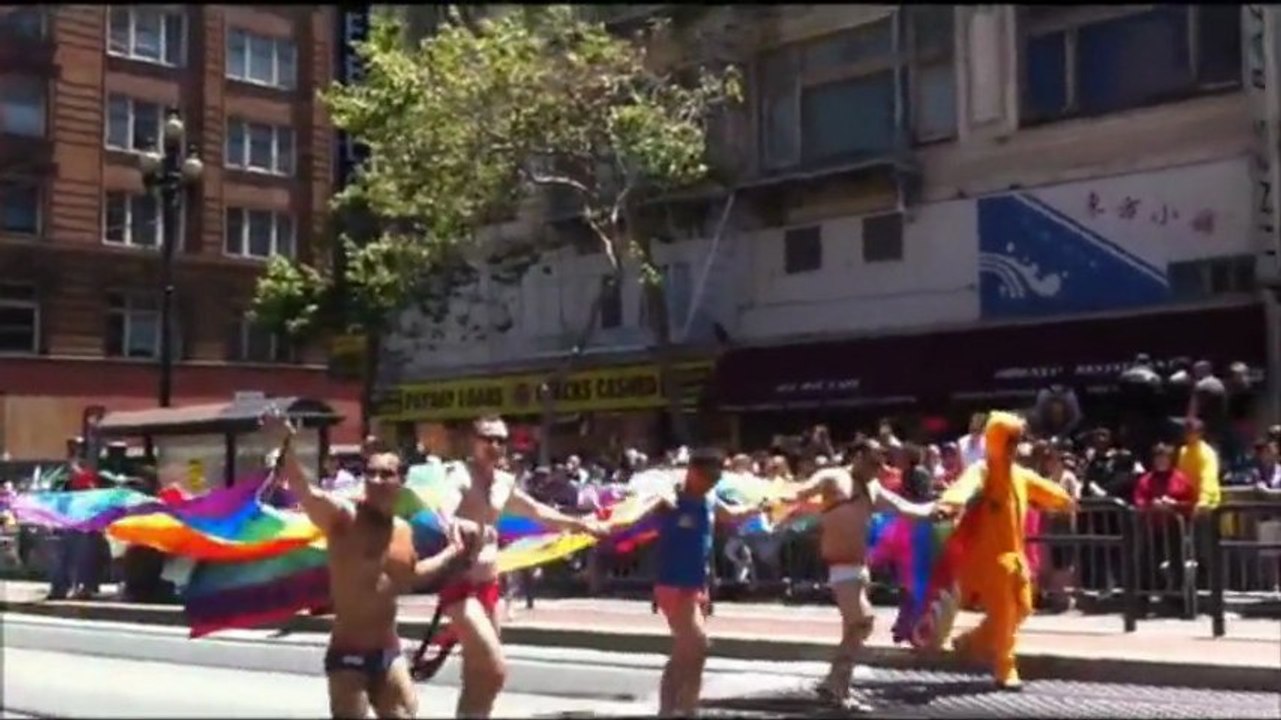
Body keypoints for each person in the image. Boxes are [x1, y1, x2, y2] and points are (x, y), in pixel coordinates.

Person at [261, 409, 485, 720]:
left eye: (386, 474)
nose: (377, 480)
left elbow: (410, 576)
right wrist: (285, 441)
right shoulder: (344, 517)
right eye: (371, 473)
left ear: (401, 481)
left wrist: (452, 553)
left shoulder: (402, 530)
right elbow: (305, 490)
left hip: (388, 653)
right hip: (348, 653)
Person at [428, 416, 607, 719]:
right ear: (472, 441)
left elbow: (537, 511)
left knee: (479, 675)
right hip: (460, 585)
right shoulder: (459, 475)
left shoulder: (503, 482)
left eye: (500, 440)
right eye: (487, 438)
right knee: (494, 667)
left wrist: (581, 525)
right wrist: (456, 525)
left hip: (489, 585)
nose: (494, 445)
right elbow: (443, 509)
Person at [775, 439, 947, 711]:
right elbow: (801, 491)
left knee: (855, 630)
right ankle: (836, 687)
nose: (877, 469)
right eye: (872, 463)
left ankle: (835, 685)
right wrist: (781, 501)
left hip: (859, 568)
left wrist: (939, 508)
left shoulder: (873, 487)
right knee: (862, 621)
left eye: (880, 464)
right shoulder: (832, 477)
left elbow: (907, 508)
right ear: (857, 457)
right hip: (840, 566)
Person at [605, 447, 765, 718]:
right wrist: (606, 526)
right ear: (692, 472)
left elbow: (731, 514)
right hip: (673, 584)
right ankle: (668, 710)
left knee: (691, 652)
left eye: (716, 479)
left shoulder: (710, 498)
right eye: (708, 477)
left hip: (697, 584)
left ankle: (688, 708)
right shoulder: (670, 498)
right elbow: (635, 515)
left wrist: (757, 508)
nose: (712, 483)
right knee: (696, 644)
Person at [937, 412, 1076, 691]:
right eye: (1010, 441)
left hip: (1015, 557)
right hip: (989, 559)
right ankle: (1005, 667)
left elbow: (1047, 490)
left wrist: (1065, 500)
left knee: (1023, 607)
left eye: (1017, 441)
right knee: (1004, 612)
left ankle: (973, 642)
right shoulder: (982, 471)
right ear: (997, 441)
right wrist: (949, 505)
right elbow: (963, 488)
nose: (1015, 447)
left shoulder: (1020, 475)